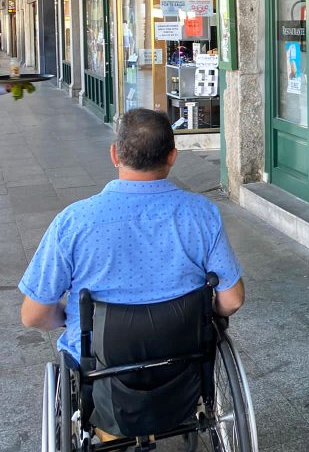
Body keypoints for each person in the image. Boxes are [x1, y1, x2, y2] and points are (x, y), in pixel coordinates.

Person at [18, 108, 244, 365]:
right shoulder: (202, 215)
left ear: (115, 154)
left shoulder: (74, 222)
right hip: (183, 359)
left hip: (100, 364)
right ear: (172, 157)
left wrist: (74, 319)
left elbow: (33, 315)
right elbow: (232, 299)